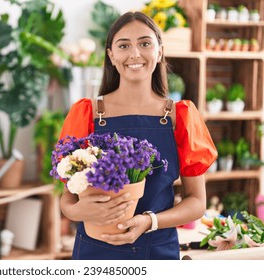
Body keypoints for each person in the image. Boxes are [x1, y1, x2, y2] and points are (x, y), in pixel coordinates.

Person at [57, 11, 218, 260]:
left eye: (145, 43)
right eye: (124, 45)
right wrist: (80, 210)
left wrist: (150, 221)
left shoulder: (180, 117)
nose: (135, 54)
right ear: (111, 54)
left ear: (159, 51)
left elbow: (197, 202)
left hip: (157, 251)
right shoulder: (87, 113)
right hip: (95, 252)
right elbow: (67, 200)